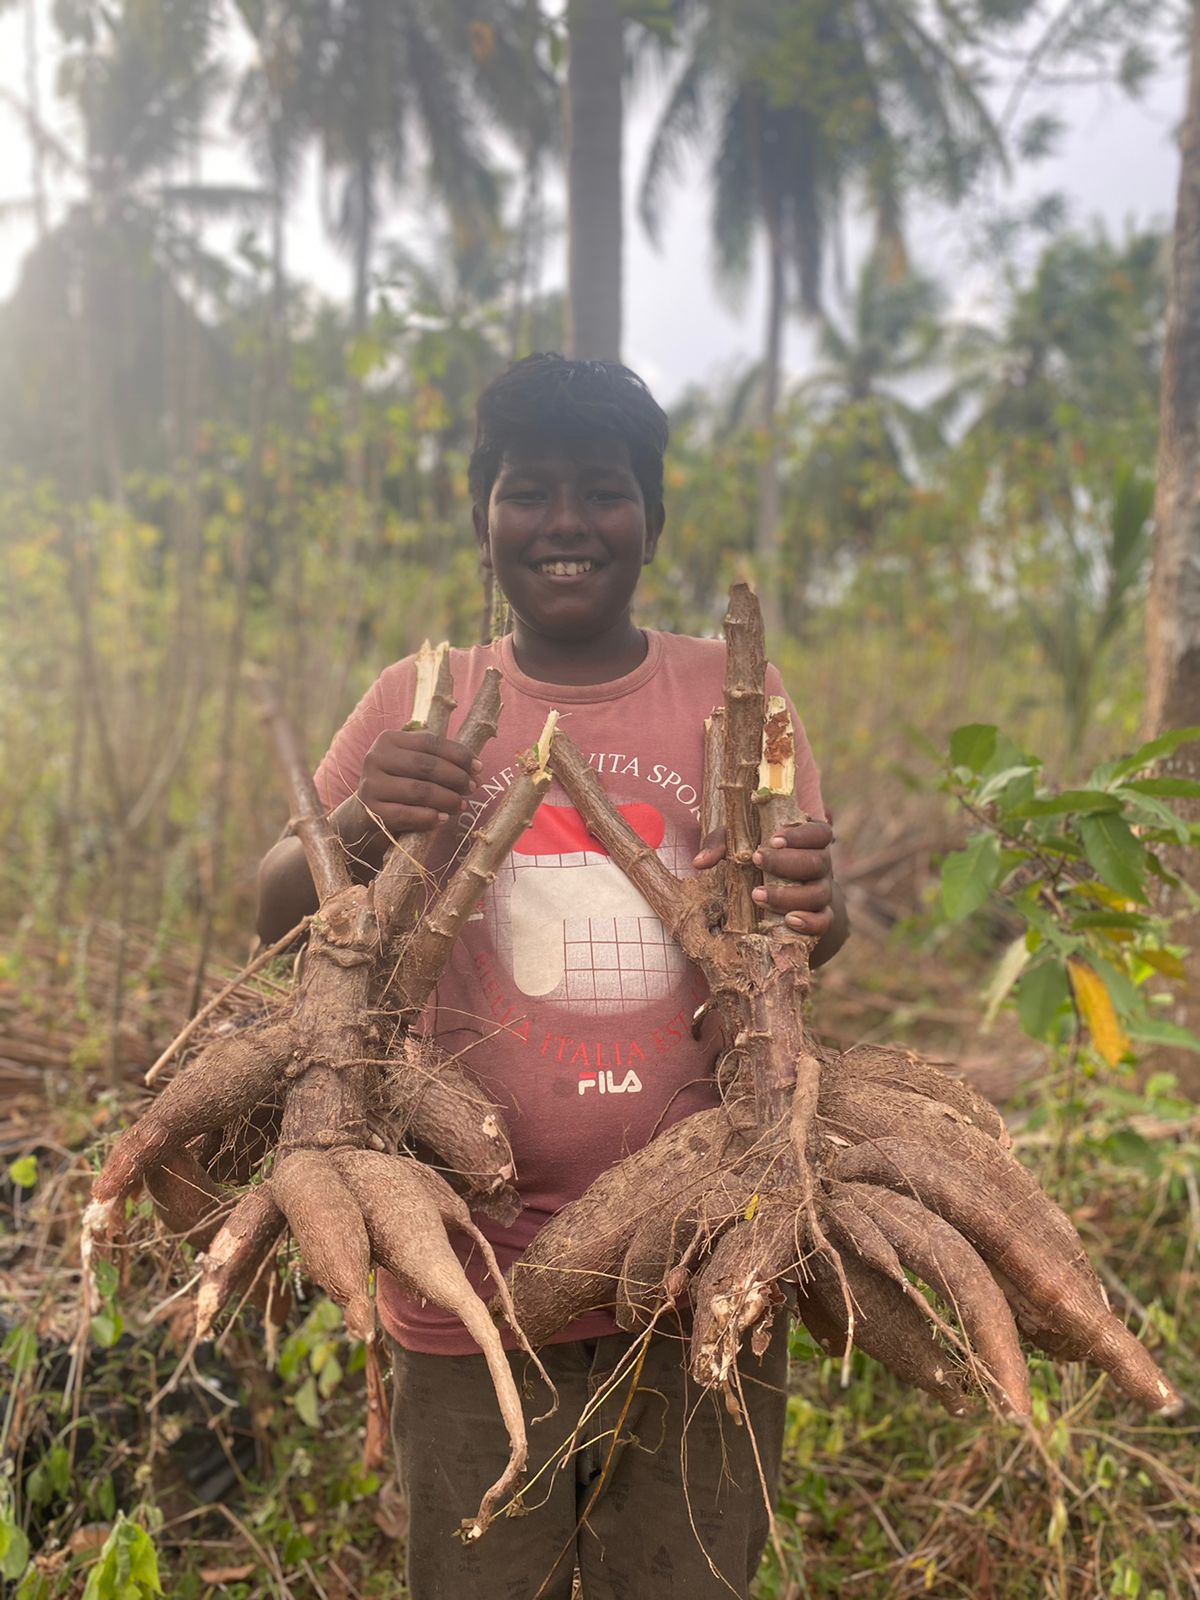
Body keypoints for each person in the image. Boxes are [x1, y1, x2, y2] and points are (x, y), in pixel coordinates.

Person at [256, 353, 849, 1599]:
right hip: (471, 1284)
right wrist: (367, 817)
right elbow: (274, 906)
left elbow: (801, 932)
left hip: (701, 1277)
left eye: (603, 489)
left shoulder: (730, 693)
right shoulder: (426, 701)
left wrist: (818, 911)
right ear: (484, 518)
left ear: (652, 518)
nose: (566, 523)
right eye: (528, 491)